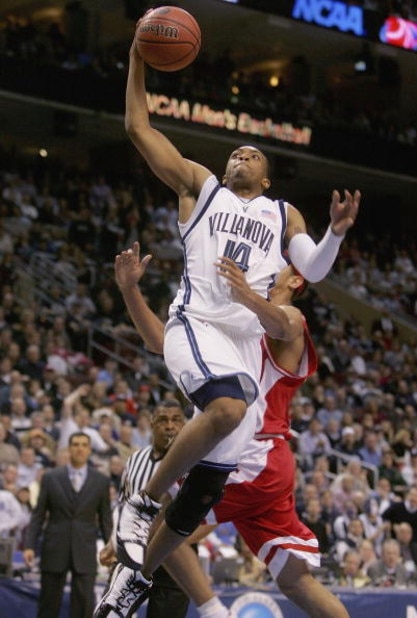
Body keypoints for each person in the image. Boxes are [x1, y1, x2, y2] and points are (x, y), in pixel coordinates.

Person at [115, 21, 360, 579]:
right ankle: (141, 501)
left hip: (243, 346)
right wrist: (137, 57)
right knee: (227, 408)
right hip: (200, 322)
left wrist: (337, 233)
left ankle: (133, 583)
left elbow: (315, 267)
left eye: (253, 154)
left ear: (269, 178)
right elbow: (137, 127)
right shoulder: (200, 189)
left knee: (208, 481)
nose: (242, 154)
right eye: (237, 150)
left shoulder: (282, 214)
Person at [94, 244, 349, 617]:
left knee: (167, 517)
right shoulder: (237, 325)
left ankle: (198, 604)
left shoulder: (283, 320)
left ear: (295, 279)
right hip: (265, 464)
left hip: (252, 456)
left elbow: (289, 323)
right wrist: (130, 290)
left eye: (277, 267)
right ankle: (148, 570)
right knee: (294, 579)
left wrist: (245, 294)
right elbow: (161, 344)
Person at [99, 400, 194, 618]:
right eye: (162, 420)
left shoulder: (197, 461)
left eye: (176, 420)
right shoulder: (135, 459)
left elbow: (212, 517)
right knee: (109, 615)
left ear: (184, 424)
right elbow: (124, 506)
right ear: (151, 424)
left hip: (174, 557)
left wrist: (173, 542)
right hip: (133, 553)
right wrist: (112, 543)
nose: (169, 426)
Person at [23, 432, 113, 618]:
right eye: (75, 444)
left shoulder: (101, 481)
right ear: (69, 448)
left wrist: (110, 548)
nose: (79, 448)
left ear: (89, 449)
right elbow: (38, 515)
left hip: (85, 548)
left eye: (83, 445)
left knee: (84, 605)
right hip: (55, 546)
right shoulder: (50, 477)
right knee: (48, 604)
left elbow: (105, 520)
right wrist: (29, 545)